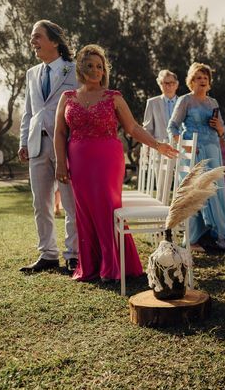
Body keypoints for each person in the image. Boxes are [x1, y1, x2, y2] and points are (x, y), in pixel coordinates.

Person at [54, 44, 177, 282]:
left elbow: (132, 128)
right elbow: (59, 132)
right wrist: (60, 163)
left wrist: (157, 145)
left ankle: (113, 265)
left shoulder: (114, 97)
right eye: (89, 65)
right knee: (85, 211)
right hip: (78, 161)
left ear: (104, 71)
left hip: (107, 160)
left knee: (107, 208)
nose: (94, 70)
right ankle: (91, 265)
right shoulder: (67, 97)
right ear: (80, 68)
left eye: (99, 66)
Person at [18, 20, 79, 274]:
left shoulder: (73, 71)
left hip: (65, 145)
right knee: (40, 203)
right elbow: (29, 111)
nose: (33, 41)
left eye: (37, 36)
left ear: (54, 41)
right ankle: (48, 255)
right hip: (36, 145)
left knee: (70, 202)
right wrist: (23, 141)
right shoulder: (32, 73)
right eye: (32, 37)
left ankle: (74, 255)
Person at [168, 62, 225, 251]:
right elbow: (172, 126)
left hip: (212, 149)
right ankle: (194, 238)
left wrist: (218, 127)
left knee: (215, 192)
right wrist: (184, 147)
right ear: (191, 82)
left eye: (205, 78)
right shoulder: (185, 100)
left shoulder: (213, 103)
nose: (202, 81)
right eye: (198, 78)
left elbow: (222, 130)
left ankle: (217, 236)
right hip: (193, 152)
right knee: (195, 192)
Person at [142, 70, 179, 141]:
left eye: (172, 83)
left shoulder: (184, 103)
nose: (170, 86)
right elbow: (147, 129)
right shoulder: (152, 103)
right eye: (166, 83)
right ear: (160, 84)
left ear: (176, 85)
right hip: (159, 148)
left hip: (181, 148)